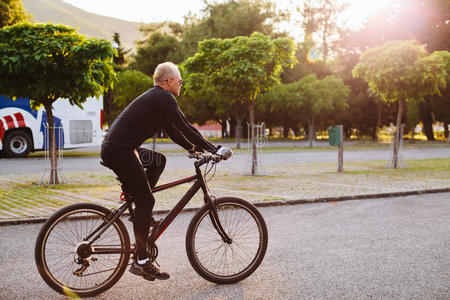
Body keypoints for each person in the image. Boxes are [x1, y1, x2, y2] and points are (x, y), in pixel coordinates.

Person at [101, 62, 231, 281]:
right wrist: (214, 149)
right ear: (169, 81)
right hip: (120, 151)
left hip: (118, 148)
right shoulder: (164, 97)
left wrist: (193, 149)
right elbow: (185, 125)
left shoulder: (157, 100)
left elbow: (174, 131)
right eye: (180, 81)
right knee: (146, 201)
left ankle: (139, 207)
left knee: (158, 161)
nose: (181, 85)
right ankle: (141, 260)